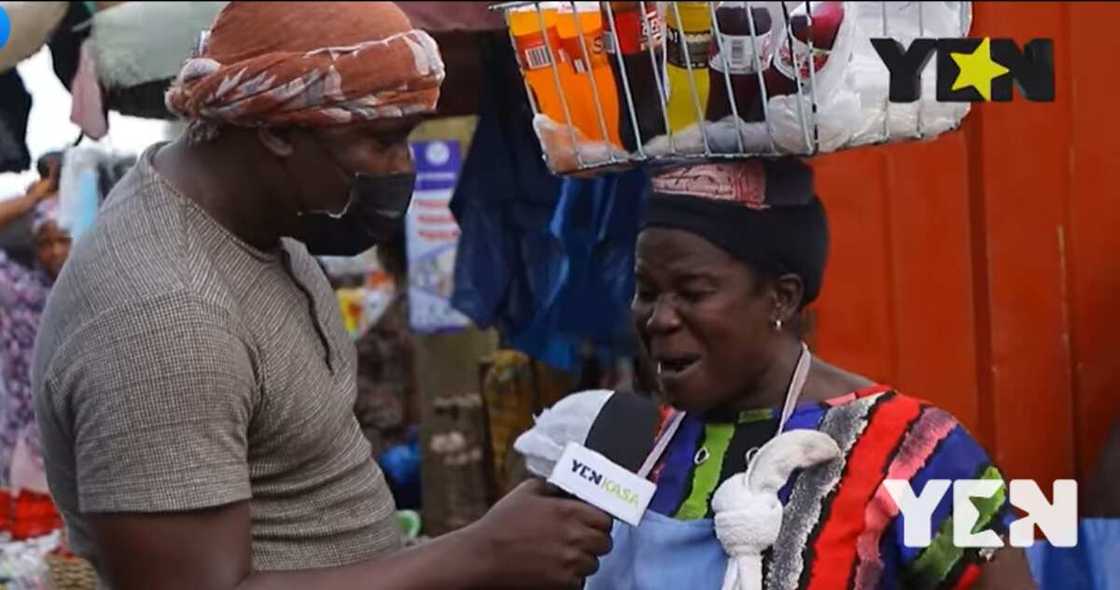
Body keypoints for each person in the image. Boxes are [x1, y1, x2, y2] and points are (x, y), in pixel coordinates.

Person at [31, 3, 610, 590]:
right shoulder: (164, 317)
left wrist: (486, 546)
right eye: (383, 140)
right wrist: (480, 554)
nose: (401, 168)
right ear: (277, 131)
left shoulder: (270, 231)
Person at [581, 159, 1037, 589]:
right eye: (646, 292)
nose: (659, 318)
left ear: (781, 298)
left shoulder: (917, 450)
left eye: (693, 292)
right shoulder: (630, 439)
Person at [0, 152, 67, 498]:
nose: (55, 251)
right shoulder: (20, 292)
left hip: (83, 453)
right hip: (23, 452)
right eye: (45, 243)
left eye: (63, 239)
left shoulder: (101, 292)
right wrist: (32, 200)